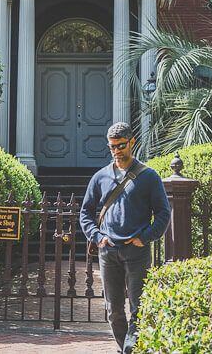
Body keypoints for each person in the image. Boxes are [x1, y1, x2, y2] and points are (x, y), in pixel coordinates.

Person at [79, 122, 171, 354]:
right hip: (108, 250)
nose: (117, 151)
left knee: (139, 306)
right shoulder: (101, 177)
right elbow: (85, 212)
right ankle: (125, 348)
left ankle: (131, 349)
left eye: (121, 145)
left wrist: (146, 237)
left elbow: (163, 212)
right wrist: (97, 237)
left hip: (136, 251)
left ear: (132, 142)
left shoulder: (148, 176)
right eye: (112, 147)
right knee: (114, 310)